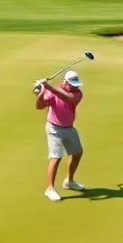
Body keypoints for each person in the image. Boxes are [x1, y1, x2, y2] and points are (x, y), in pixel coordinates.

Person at [35, 70, 85, 202]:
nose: (76, 87)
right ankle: (50, 189)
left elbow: (67, 98)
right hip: (54, 128)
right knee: (56, 157)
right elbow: (39, 106)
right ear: (65, 82)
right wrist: (40, 93)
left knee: (78, 153)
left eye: (76, 85)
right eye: (73, 85)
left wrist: (48, 87)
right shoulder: (52, 92)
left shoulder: (77, 94)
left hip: (69, 128)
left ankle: (69, 181)